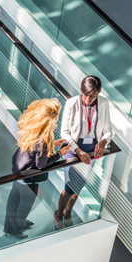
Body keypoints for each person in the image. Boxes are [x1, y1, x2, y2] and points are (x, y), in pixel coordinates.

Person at [4, 99, 71, 239]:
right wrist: (60, 153)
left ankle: (10, 227)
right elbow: (41, 165)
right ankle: (16, 229)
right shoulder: (43, 140)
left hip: (18, 172)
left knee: (13, 200)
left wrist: (52, 143)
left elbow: (35, 148)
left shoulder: (32, 128)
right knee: (25, 205)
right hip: (29, 179)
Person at [55, 75, 113, 225]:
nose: (88, 99)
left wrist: (103, 141)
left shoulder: (104, 103)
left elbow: (108, 130)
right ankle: (59, 214)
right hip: (72, 148)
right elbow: (65, 133)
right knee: (69, 186)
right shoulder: (71, 103)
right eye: (86, 95)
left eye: (93, 96)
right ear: (81, 91)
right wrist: (78, 151)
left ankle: (68, 211)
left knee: (80, 184)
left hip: (92, 150)